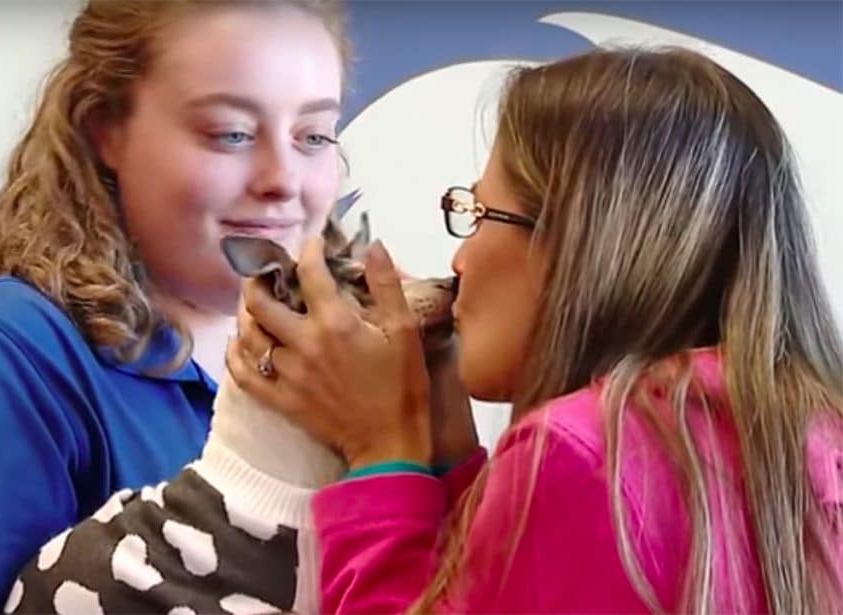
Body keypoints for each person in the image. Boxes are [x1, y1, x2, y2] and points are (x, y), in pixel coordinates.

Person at [228, 47, 843, 614]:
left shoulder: (578, 454)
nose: (458, 264)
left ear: (576, 239)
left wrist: (379, 451)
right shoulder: (812, 434)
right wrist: (445, 450)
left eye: (474, 213)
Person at [0, 0, 349, 611]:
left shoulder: (332, 383)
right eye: (230, 132)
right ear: (105, 130)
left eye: (313, 136)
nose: (283, 178)